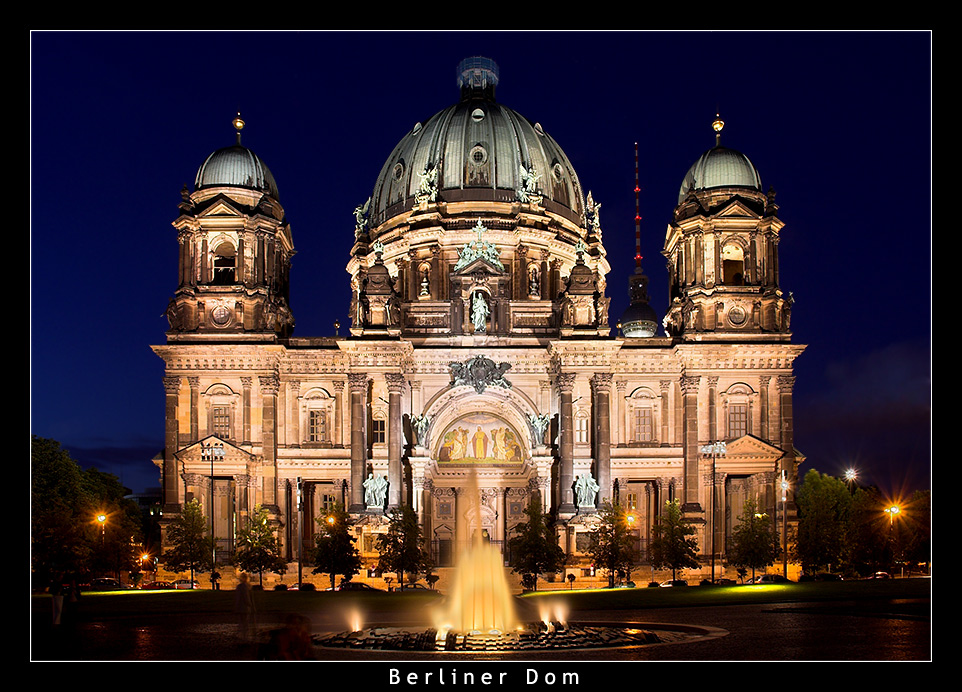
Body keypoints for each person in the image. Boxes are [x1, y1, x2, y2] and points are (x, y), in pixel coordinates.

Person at [234, 573, 255, 640]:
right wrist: (250, 605)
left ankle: (240, 635)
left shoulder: (239, 586)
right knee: (245, 622)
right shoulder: (246, 586)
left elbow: (237, 598)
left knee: (241, 622)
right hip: (245, 607)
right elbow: (247, 598)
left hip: (240, 607)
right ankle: (245, 636)